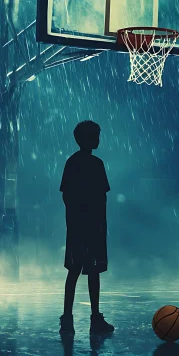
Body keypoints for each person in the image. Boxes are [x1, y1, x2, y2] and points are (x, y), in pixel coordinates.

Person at [59, 120, 114, 334]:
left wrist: (75, 220)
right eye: (96, 136)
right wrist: (96, 222)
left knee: (74, 272)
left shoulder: (72, 162)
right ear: (87, 138)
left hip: (78, 227)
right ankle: (94, 318)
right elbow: (101, 197)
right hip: (92, 227)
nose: (98, 139)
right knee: (93, 272)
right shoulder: (95, 164)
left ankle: (67, 319)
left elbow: (67, 196)